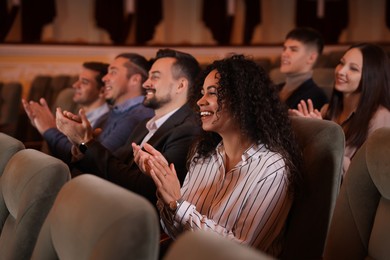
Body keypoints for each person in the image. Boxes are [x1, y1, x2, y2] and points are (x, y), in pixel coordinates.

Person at [135, 55, 302, 257]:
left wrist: (178, 204)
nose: (200, 101)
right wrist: (164, 189)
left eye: (212, 93)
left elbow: (240, 251)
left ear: (242, 100)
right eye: (202, 92)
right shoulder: (203, 154)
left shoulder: (272, 167)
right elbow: (177, 232)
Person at [55, 48, 202, 207]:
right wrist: (80, 142)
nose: (146, 83)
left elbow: (144, 188)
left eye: (155, 77)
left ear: (180, 86)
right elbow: (114, 164)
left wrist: (86, 142)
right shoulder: (144, 124)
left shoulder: (188, 131)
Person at [289, 43, 390, 175]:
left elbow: (365, 178)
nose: (340, 71)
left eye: (353, 69)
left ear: (372, 76)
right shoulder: (328, 110)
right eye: (341, 63)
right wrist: (303, 129)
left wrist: (325, 138)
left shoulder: (381, 117)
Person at [22, 61, 110, 163]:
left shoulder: (106, 121)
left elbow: (87, 153)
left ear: (102, 91)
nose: (75, 85)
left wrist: (50, 129)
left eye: (84, 82)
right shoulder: (74, 111)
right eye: (78, 80)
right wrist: (42, 124)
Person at [277, 27, 328, 110]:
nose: (284, 54)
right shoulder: (273, 88)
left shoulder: (315, 96)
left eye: (293, 50)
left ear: (311, 58)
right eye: (284, 48)